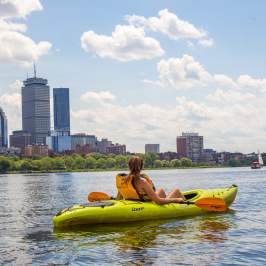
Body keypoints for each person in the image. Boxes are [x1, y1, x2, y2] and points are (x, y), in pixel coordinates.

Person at [116, 156, 186, 204]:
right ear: (141, 167)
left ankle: (168, 207)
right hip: (147, 204)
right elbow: (158, 201)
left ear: (129, 166)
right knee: (176, 191)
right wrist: (177, 200)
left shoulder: (123, 180)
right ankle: (186, 205)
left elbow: (119, 198)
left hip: (135, 203)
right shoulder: (142, 182)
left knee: (161, 190)